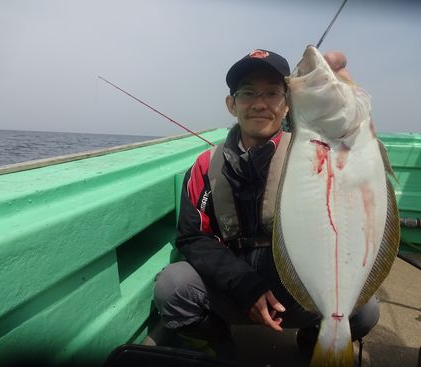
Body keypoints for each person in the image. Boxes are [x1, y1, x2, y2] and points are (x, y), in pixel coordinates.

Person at [153, 48, 379, 360]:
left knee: (364, 310)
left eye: (273, 93)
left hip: (298, 294)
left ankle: (315, 340)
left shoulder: (313, 152)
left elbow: (354, 170)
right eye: (247, 94)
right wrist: (243, 284)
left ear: (288, 104)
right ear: (231, 104)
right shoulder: (205, 166)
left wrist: (345, 93)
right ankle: (220, 344)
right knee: (172, 287)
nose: (260, 104)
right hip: (233, 289)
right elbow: (193, 237)